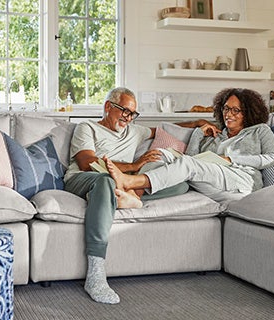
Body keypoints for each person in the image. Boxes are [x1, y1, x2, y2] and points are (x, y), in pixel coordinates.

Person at [63, 87, 208, 304]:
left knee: (181, 184)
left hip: (121, 183)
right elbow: (87, 163)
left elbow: (161, 130)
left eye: (132, 114)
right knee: (106, 181)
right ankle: (95, 275)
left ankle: (129, 197)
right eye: (124, 111)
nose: (128, 118)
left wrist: (196, 124)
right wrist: (134, 165)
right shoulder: (87, 128)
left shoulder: (134, 131)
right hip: (85, 179)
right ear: (108, 107)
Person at [104, 88, 274, 203]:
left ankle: (130, 182)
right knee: (160, 153)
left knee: (189, 165)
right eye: (226, 109)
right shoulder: (217, 134)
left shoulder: (260, 130)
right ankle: (135, 197)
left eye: (236, 110)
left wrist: (230, 158)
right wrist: (197, 134)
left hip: (241, 182)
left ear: (248, 112)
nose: (228, 114)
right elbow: (190, 159)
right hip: (211, 181)